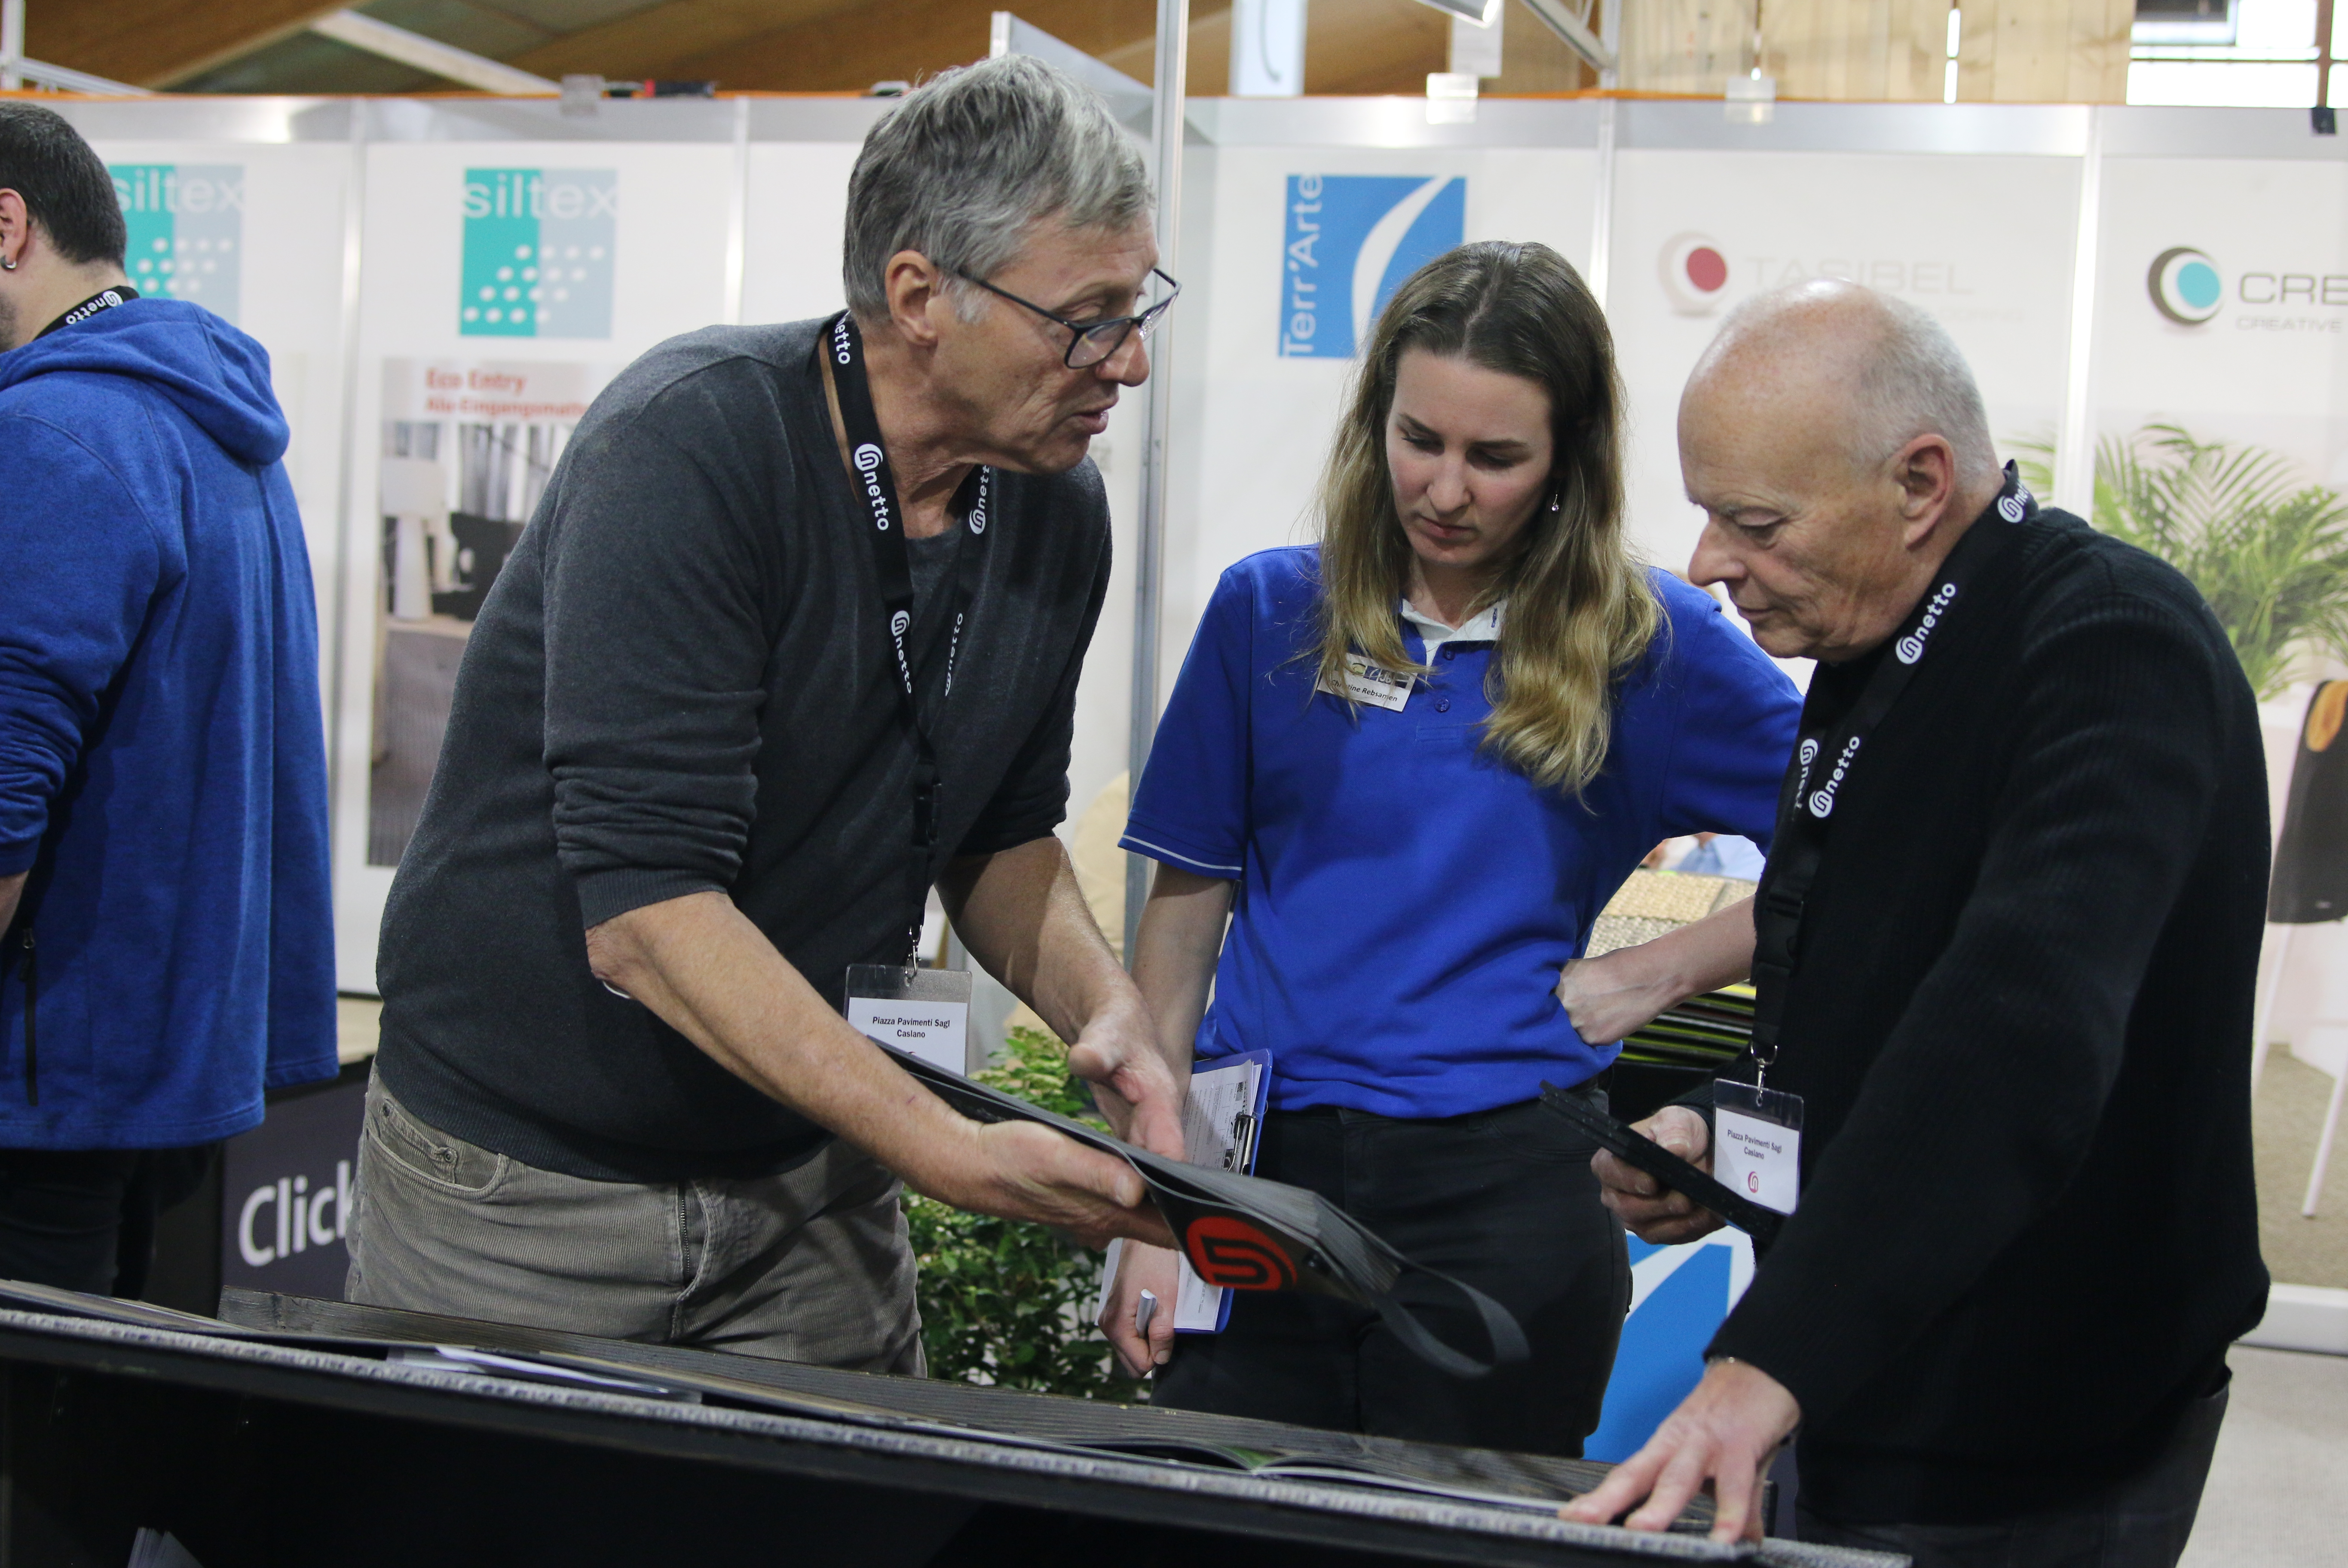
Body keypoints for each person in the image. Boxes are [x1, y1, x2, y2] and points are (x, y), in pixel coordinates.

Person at [348, 56, 1183, 1366]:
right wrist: (952, 1153)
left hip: (813, 1192)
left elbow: (1001, 837)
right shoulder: (688, 448)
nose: (1126, 361)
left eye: (1138, 309)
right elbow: (648, 921)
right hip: (526, 1205)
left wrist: (1099, 1001)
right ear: (921, 298)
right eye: (1087, 316)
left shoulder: (1052, 504)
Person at [1567, 281, 2268, 1563]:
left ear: (1920, 482)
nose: (1711, 563)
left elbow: (2017, 1033)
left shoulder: (2112, 651)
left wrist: (1775, 1357)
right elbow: (1872, 991)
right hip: (1872, 1375)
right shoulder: (1878, 648)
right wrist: (1726, 1129)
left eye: (1754, 521)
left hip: (2034, 1424)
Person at [1097, 241, 1801, 1455]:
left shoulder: (1652, 647)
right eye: (1420, 439)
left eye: (1496, 458)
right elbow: (1181, 928)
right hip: (1260, 1178)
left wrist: (1663, 969)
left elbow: (1867, 844)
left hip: (1511, 1193)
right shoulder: (1267, 613)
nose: (1446, 490)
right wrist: (1150, 1217)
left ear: (1567, 460)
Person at [0, 104, 337, 1295]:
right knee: (103, 1456)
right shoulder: (221, 433)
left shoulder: (48, 429)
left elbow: (4, 781)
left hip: (46, 1092)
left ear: (7, 226)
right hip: (168, 1072)